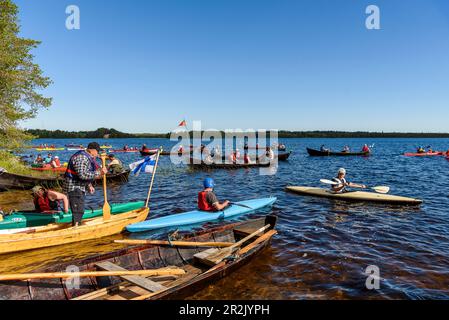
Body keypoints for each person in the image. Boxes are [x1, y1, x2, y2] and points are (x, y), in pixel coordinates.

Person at [63, 142, 107, 226]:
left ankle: (76, 225)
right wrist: (100, 173)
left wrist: (89, 185)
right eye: (97, 151)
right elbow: (82, 174)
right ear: (93, 150)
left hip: (78, 186)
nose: (98, 154)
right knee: (78, 211)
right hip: (74, 187)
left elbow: (84, 173)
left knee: (79, 210)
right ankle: (76, 229)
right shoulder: (82, 157)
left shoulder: (86, 156)